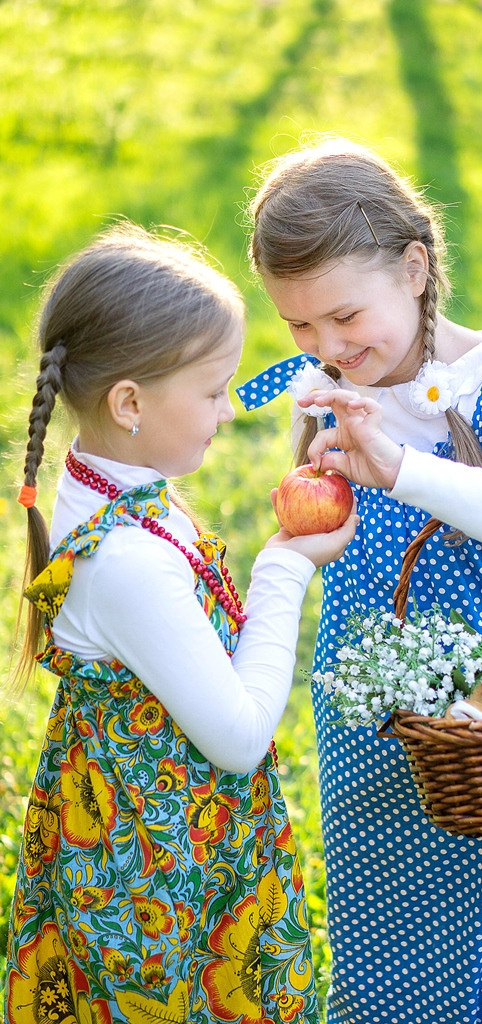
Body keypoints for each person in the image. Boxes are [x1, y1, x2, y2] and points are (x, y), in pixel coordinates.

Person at [236, 138, 482, 1024]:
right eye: (298, 326)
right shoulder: (331, 387)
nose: (327, 345)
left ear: (414, 268)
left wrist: (404, 472)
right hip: (377, 722)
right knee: (388, 912)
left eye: (344, 315)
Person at [4, 222, 358, 1024]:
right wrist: (286, 566)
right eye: (211, 390)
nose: (228, 410)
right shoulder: (125, 560)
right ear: (128, 402)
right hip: (157, 883)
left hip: (161, 847)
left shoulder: (111, 483)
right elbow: (236, 737)